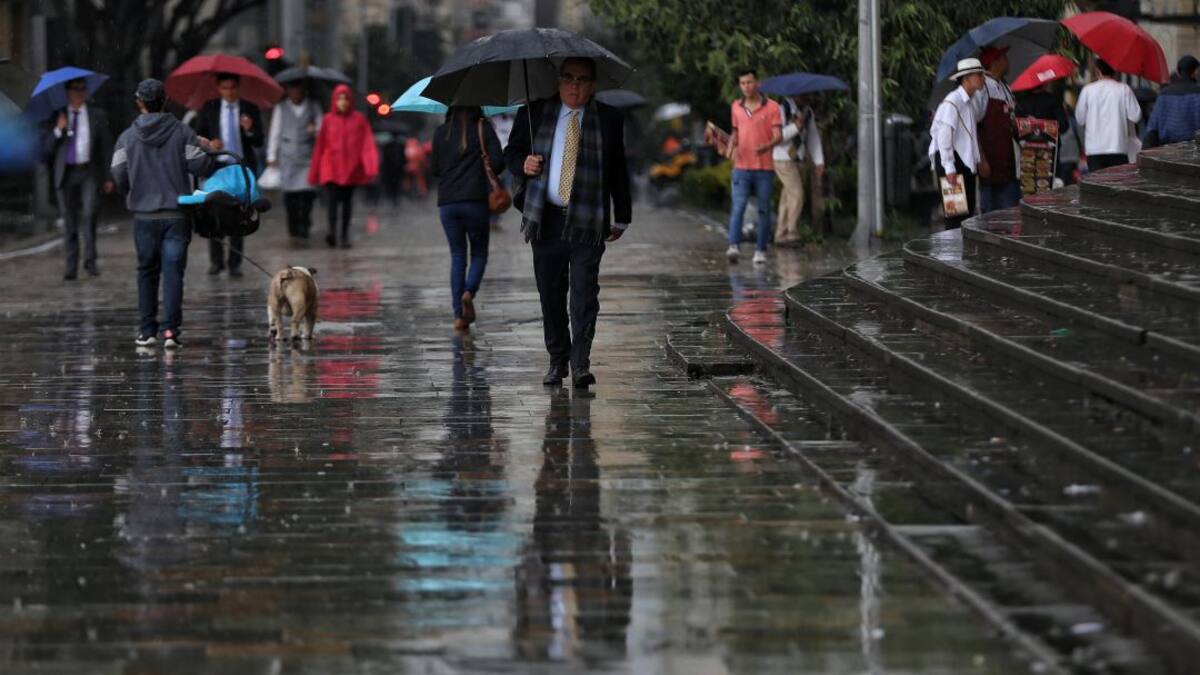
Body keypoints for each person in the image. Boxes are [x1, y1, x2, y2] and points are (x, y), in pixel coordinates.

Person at [503, 57, 632, 388]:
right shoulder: (533, 113)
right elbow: (511, 153)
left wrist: (623, 216)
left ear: (593, 84)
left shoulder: (608, 118)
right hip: (545, 220)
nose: (575, 85)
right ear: (558, 81)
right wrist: (524, 164)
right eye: (569, 78)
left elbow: (618, 167)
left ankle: (580, 363)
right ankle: (557, 360)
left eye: (583, 79)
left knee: (584, 295)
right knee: (551, 294)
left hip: (589, 220)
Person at [110, 78, 216, 349]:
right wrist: (205, 147)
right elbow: (200, 167)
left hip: (144, 216)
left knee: (146, 271)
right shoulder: (183, 132)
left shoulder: (126, 137)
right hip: (176, 215)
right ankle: (171, 331)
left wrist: (132, 190)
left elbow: (118, 174)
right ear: (165, 101)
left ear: (139, 103)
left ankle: (147, 331)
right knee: (173, 273)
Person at [431, 106, 504, 332]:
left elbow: (434, 169)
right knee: (479, 252)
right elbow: (499, 163)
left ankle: (458, 316)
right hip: (475, 201)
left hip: (447, 203)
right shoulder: (483, 128)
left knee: (457, 255)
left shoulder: (441, 132)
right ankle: (469, 291)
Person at [191, 72, 264, 276]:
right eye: (225, 88)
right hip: (217, 169)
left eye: (233, 87)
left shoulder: (249, 109)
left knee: (239, 214)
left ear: (238, 88)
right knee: (213, 213)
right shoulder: (209, 108)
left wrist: (249, 130)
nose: (229, 92)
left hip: (241, 169)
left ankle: (235, 263)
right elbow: (197, 136)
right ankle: (216, 261)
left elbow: (259, 140)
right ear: (219, 89)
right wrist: (210, 143)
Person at [41, 77, 114, 280]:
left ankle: (90, 261)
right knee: (70, 220)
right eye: (75, 89)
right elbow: (45, 151)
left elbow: (106, 148)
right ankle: (71, 265)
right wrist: (58, 130)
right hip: (66, 174)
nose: (79, 93)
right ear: (67, 92)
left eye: (83, 89)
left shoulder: (97, 115)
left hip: (88, 171)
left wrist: (108, 176)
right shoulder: (57, 116)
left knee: (90, 214)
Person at [308, 83, 379, 249]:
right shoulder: (327, 120)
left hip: (351, 168)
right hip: (331, 167)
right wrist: (315, 170)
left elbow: (366, 144)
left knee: (347, 202)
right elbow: (320, 145)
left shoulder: (359, 119)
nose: (343, 102)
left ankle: (344, 235)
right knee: (332, 202)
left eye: (345, 98)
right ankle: (332, 232)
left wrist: (370, 165)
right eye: (339, 98)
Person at [724, 69, 782, 265]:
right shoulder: (736, 107)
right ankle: (733, 245)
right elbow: (736, 131)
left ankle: (761, 249)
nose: (747, 86)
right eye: (743, 83)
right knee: (738, 206)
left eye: (750, 82)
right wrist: (731, 142)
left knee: (764, 210)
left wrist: (766, 146)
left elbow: (778, 135)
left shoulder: (772, 107)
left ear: (757, 82)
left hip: (764, 168)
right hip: (741, 166)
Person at [929, 58, 988, 229]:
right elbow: (944, 135)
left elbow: (976, 120)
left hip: (962, 160)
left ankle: (961, 252)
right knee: (955, 214)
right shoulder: (953, 101)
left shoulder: (969, 102)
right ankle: (953, 252)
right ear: (967, 78)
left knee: (966, 213)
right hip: (951, 160)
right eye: (979, 74)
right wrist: (949, 167)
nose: (983, 78)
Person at [267, 80, 322, 245]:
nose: (295, 94)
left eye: (298, 90)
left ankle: (305, 226)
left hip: (308, 157)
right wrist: (271, 155)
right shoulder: (281, 108)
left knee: (307, 194)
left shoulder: (314, 106)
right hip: (287, 157)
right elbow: (275, 132)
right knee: (290, 196)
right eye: (292, 90)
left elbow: (322, 130)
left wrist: (315, 130)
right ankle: (293, 231)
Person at [772, 94, 824, 247]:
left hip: (798, 159)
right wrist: (795, 126)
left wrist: (818, 160)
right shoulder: (782, 109)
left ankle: (780, 234)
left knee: (788, 197)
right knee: (797, 194)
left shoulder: (807, 112)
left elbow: (813, 137)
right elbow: (777, 137)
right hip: (782, 158)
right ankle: (791, 232)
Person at [1075, 58, 1142, 172]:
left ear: (1098, 71)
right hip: (1118, 147)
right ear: (1115, 72)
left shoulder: (1088, 90)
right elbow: (1136, 116)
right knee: (1118, 185)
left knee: (1098, 186)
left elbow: (1080, 119)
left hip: (1094, 149)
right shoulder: (1124, 89)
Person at [976, 46, 1021, 213]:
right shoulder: (982, 88)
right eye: (1003, 58)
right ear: (995, 63)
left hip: (1008, 164)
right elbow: (973, 126)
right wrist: (981, 159)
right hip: (989, 163)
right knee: (990, 216)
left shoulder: (1006, 88)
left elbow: (1011, 119)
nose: (1007, 61)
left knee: (1010, 214)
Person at [1142, 55, 1200, 148]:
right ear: (1195, 72)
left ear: (1178, 73)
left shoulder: (1164, 95)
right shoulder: (1197, 94)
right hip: (1194, 151)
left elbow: (1152, 127)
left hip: (1168, 150)